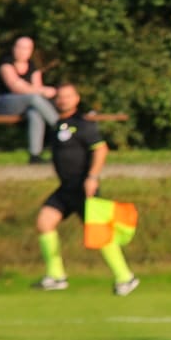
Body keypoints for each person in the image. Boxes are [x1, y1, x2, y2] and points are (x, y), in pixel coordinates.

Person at [32, 82, 139, 296]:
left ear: (77, 99)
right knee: (44, 222)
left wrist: (92, 177)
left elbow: (101, 149)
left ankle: (125, 277)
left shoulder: (83, 124)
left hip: (84, 188)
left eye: (68, 96)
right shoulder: (57, 125)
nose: (63, 100)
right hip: (65, 189)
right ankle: (56, 276)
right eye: (60, 97)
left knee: (100, 235)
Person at [0, 36, 59, 164]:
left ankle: (35, 155)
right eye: (19, 47)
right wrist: (44, 91)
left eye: (26, 48)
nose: (22, 51)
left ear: (31, 51)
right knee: (34, 98)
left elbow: (36, 88)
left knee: (35, 113)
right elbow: (16, 87)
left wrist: (43, 91)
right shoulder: (5, 64)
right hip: (2, 103)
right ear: (14, 48)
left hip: (26, 106)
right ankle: (60, 126)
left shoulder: (33, 67)